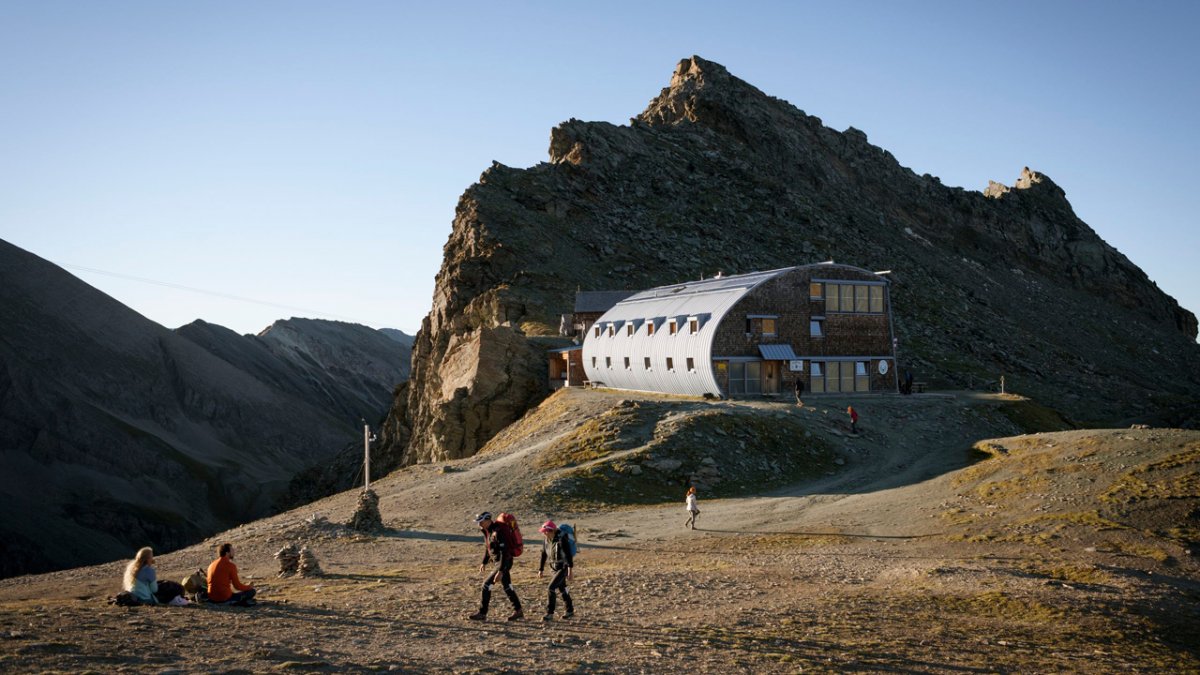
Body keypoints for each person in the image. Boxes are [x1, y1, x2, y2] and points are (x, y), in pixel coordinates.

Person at [468, 512, 523, 621]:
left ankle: (482, 613)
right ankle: (518, 611)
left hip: (504, 563)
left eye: (481, 522)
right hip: (500, 563)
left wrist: (501, 571)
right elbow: (488, 548)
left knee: (486, 585)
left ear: (488, 520)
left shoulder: (497, 532)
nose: (479, 524)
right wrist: (484, 562)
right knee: (507, 586)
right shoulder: (488, 532)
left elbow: (505, 552)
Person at [537, 521, 574, 621]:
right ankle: (570, 610)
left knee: (551, 588)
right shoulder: (546, 540)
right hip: (552, 568)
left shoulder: (562, 539)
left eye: (546, 531)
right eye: (543, 532)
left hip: (563, 567)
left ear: (552, 531)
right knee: (563, 589)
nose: (544, 533)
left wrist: (570, 571)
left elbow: (568, 556)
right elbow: (543, 554)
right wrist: (541, 569)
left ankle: (550, 613)